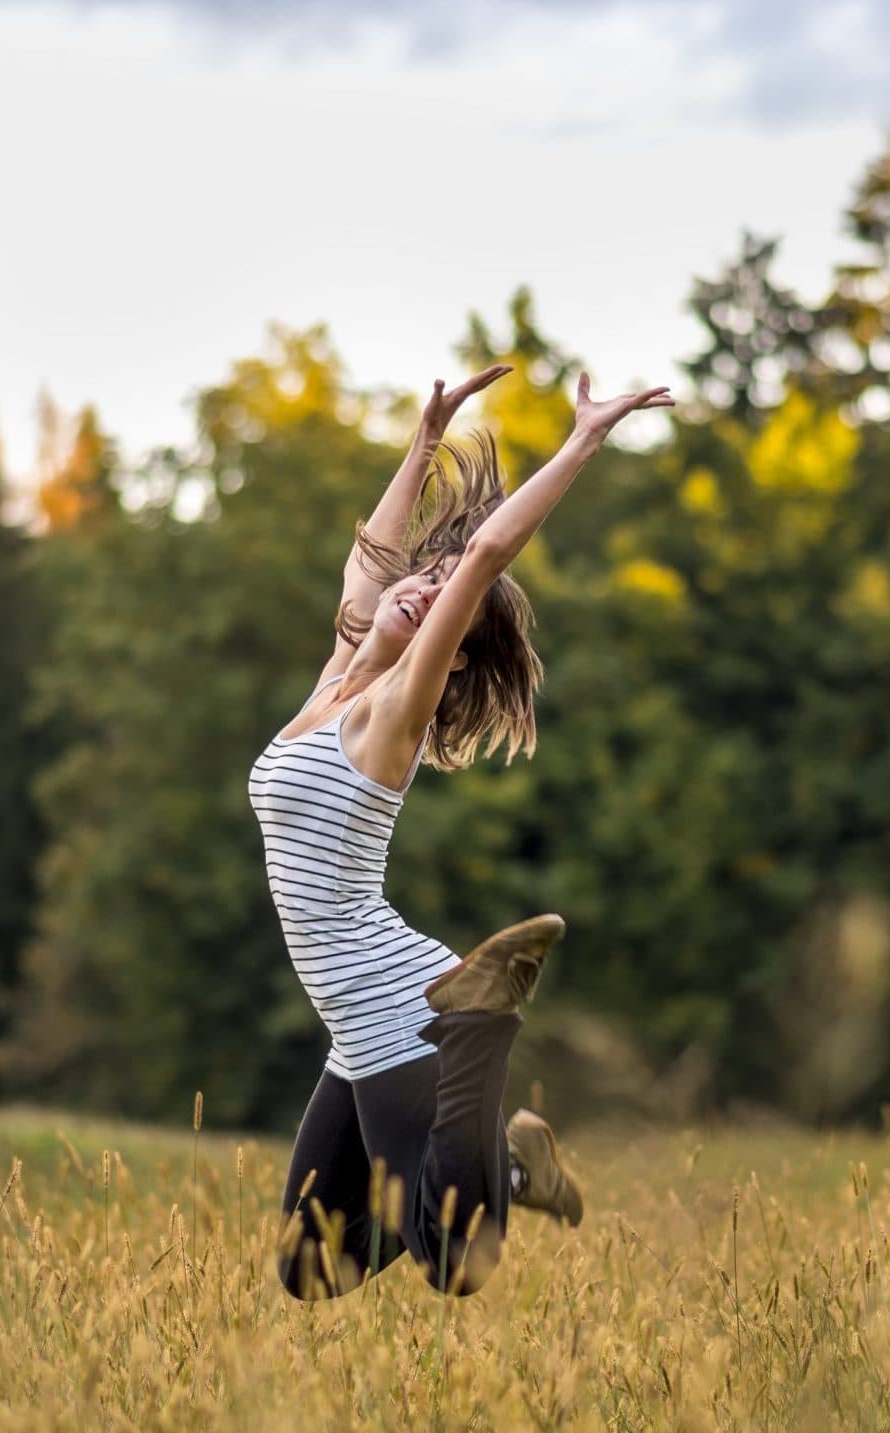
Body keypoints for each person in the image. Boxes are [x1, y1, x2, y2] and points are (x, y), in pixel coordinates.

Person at [250, 363, 672, 1299]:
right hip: (352, 1025)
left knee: (457, 1264)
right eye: (425, 576)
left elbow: (482, 555)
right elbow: (371, 559)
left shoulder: (392, 710)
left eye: (447, 599)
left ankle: (482, 1021)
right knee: (312, 1268)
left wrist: (582, 441)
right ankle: (511, 1162)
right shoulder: (339, 677)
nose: (428, 587)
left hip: (407, 1010)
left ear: (448, 640)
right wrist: (425, 437)